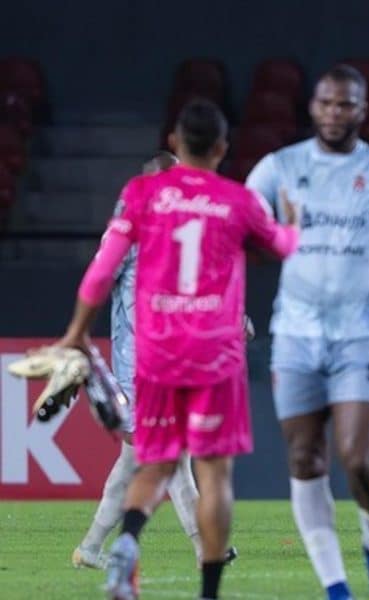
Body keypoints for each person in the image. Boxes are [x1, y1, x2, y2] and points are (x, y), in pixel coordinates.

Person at [53, 99, 299, 600]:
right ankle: (203, 576)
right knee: (205, 470)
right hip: (205, 357)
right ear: (222, 148)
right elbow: (281, 248)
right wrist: (294, 223)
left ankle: (111, 546)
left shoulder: (140, 201)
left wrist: (76, 333)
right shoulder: (235, 200)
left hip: (157, 357)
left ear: (175, 142)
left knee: (155, 461)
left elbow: (99, 275)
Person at [245, 65, 369, 600]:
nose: (334, 113)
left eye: (345, 104)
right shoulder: (278, 168)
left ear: (362, 111)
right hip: (294, 335)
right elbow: (234, 235)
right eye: (326, 103)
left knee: (355, 457)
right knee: (304, 459)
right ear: (313, 106)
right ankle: (335, 587)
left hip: (357, 337)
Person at [72, 152, 235, 571]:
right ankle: (205, 548)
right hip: (140, 366)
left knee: (141, 459)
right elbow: (100, 278)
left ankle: (90, 547)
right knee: (169, 456)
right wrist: (79, 337)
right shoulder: (129, 227)